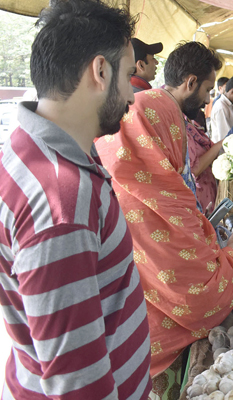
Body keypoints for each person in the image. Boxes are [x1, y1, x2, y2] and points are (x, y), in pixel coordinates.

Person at [0, 0, 152, 398]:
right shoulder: (62, 203)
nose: (133, 98)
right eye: (128, 76)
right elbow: (77, 385)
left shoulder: (23, 149)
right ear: (100, 71)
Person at [95, 42, 233, 397]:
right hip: (155, 351)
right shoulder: (165, 204)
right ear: (166, 136)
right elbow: (199, 295)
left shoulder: (110, 186)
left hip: (119, 343)